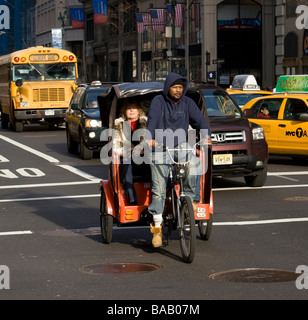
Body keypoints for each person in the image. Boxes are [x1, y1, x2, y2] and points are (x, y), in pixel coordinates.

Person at [145, 72, 212, 248]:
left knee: (194, 164)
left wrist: (206, 136)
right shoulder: (158, 102)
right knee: (158, 189)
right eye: (175, 87)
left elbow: (200, 121)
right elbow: (152, 120)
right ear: (168, 88)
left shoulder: (187, 103)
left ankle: (190, 201)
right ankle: (157, 227)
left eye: (181, 87)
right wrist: (149, 137)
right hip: (160, 146)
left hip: (180, 145)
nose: (178, 90)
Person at [113, 98, 147, 205]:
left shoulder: (145, 123)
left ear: (139, 111)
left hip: (144, 158)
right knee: (125, 166)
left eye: (134, 108)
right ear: (124, 111)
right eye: (129, 109)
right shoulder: (119, 125)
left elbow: (150, 141)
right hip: (127, 157)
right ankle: (132, 200)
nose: (131, 110)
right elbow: (115, 146)